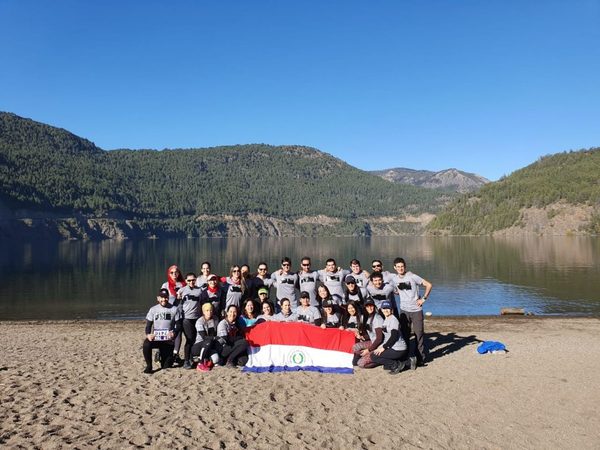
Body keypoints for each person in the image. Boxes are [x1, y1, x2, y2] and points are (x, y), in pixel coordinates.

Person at [392, 257, 433, 367]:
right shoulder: (395, 279)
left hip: (416, 310)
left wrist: (423, 299)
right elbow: (396, 291)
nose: (400, 268)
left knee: (418, 334)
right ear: (395, 268)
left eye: (402, 266)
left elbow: (429, 285)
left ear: (405, 267)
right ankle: (405, 357)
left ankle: (420, 358)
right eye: (398, 267)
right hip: (404, 311)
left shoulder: (412, 277)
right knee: (405, 334)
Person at [142, 289, 181, 374]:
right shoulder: (153, 309)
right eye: (161, 298)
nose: (164, 299)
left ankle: (163, 355)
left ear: (168, 298)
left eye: (166, 297)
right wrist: (148, 334)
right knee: (146, 344)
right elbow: (148, 325)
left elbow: (178, 325)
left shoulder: (174, 309)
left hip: (168, 341)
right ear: (158, 298)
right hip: (156, 338)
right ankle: (149, 365)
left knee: (166, 366)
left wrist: (174, 333)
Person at [370, 301, 415, 373]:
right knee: (386, 366)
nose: (386, 310)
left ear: (392, 310)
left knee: (374, 356)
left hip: (398, 349)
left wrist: (383, 347)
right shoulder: (386, 320)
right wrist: (380, 346)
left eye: (388, 308)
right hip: (392, 347)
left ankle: (397, 365)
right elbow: (387, 337)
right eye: (384, 308)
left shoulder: (393, 320)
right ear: (381, 309)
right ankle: (408, 362)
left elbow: (394, 337)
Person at [160, 265, 185, 364]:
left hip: (180, 313)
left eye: (176, 272)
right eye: (172, 272)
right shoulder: (165, 285)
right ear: (168, 274)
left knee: (178, 333)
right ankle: (163, 353)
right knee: (167, 332)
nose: (174, 274)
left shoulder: (183, 284)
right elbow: (162, 299)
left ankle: (176, 354)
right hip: (169, 313)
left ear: (179, 273)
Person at [178, 272, 202, 369]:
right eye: (189, 280)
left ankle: (191, 358)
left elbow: (202, 303)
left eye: (193, 280)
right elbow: (178, 305)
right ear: (185, 281)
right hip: (186, 319)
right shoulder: (182, 291)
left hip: (196, 318)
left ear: (196, 280)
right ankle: (186, 360)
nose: (191, 282)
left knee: (195, 339)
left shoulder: (199, 291)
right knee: (189, 339)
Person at [352, 299, 384, 368]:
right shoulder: (369, 317)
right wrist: (363, 337)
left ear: (374, 306)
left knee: (360, 363)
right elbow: (372, 334)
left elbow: (379, 339)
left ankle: (381, 360)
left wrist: (368, 350)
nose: (369, 308)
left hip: (379, 345)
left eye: (371, 306)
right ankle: (369, 355)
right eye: (367, 306)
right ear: (365, 308)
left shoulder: (377, 318)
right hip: (373, 342)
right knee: (355, 347)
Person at [191, 302, 219, 371]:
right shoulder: (199, 322)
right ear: (203, 312)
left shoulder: (215, 319)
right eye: (207, 310)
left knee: (216, 360)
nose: (209, 312)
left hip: (210, 345)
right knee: (208, 341)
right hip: (199, 345)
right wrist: (214, 338)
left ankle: (207, 359)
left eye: (211, 310)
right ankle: (200, 363)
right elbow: (204, 337)